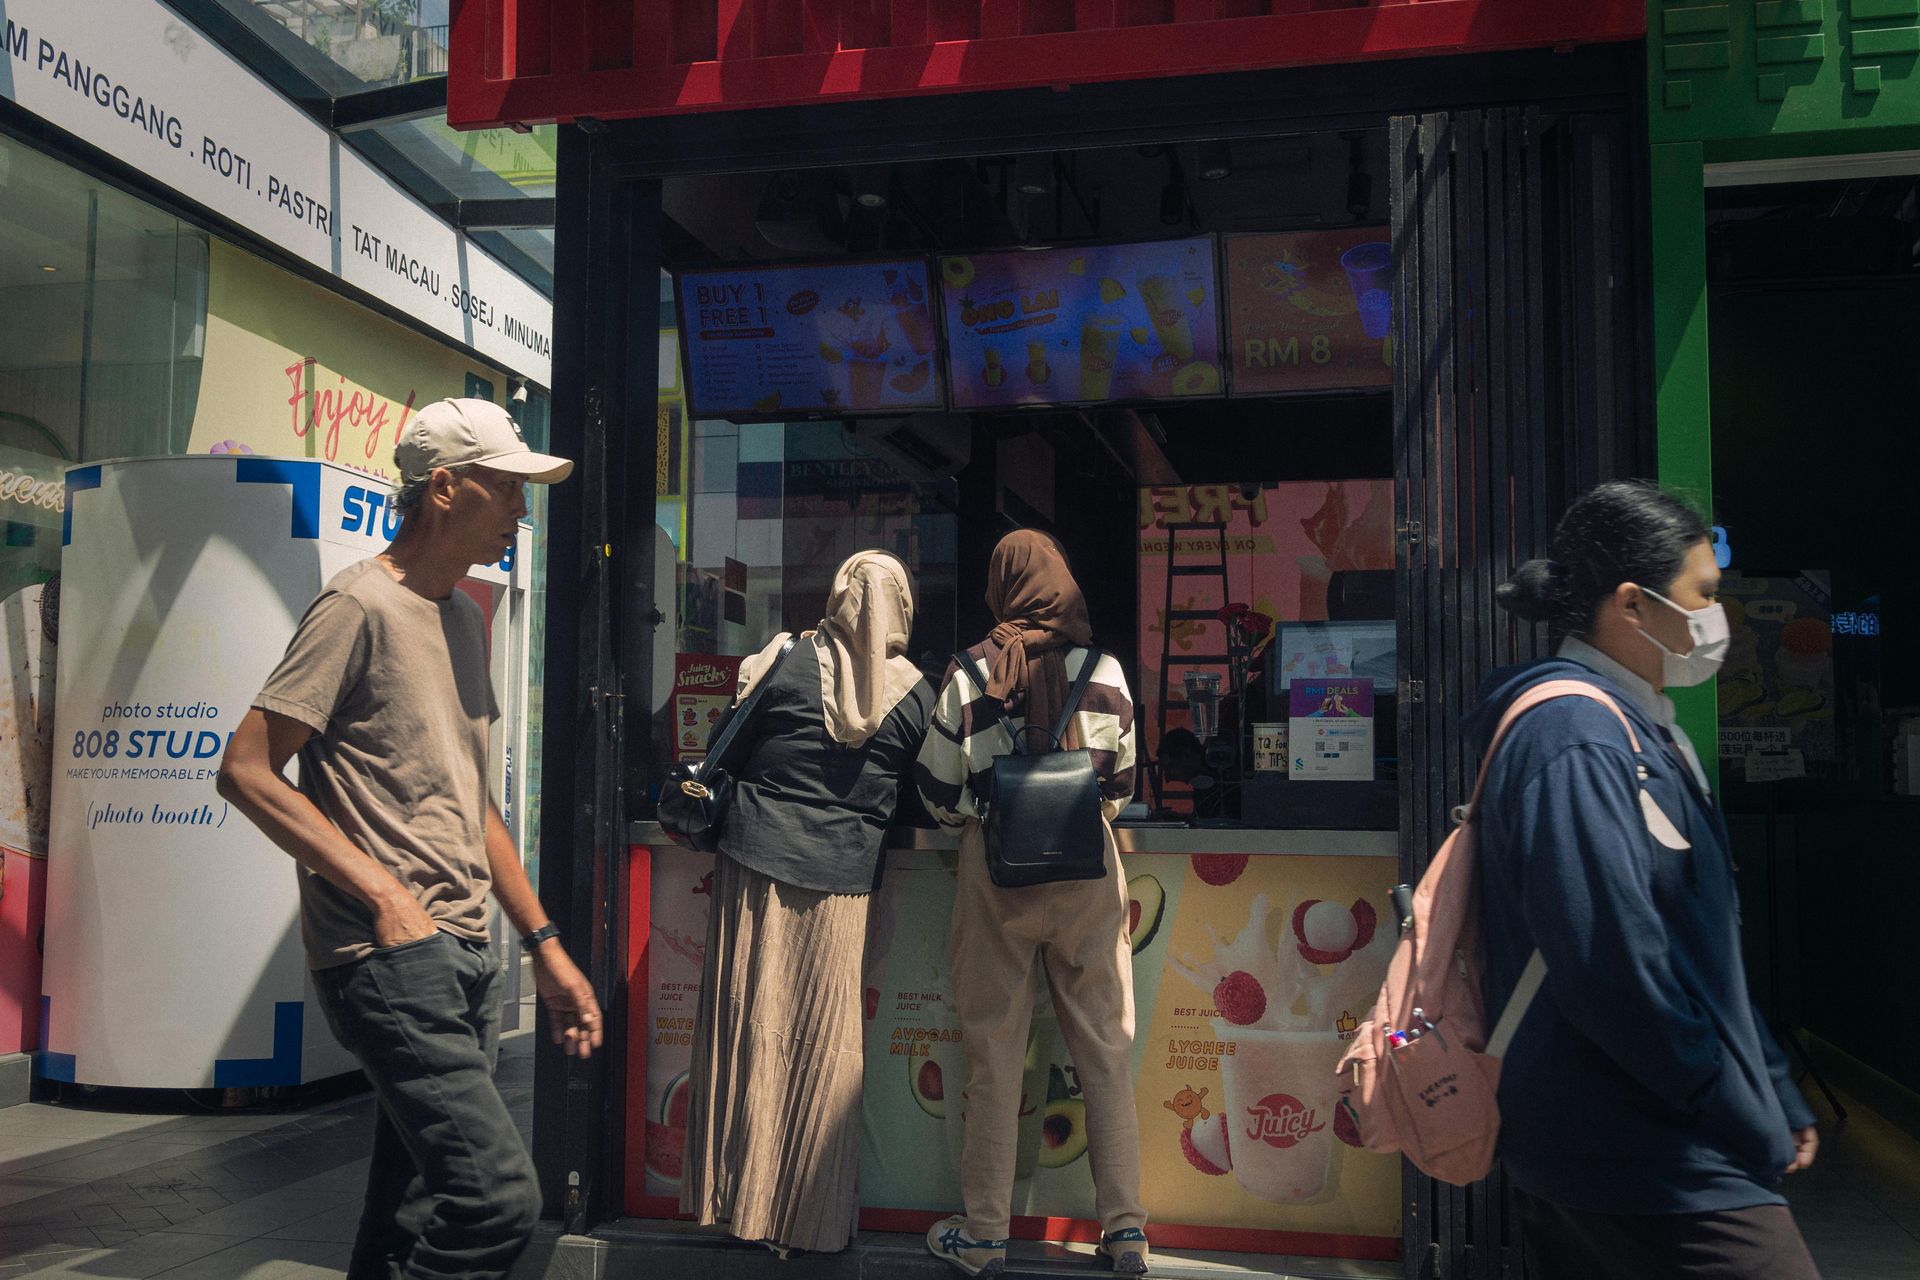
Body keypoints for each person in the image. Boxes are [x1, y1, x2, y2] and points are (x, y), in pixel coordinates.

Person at [217, 398, 601, 1280]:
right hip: (386, 953)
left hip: (465, 951)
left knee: (407, 1216)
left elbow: (475, 806)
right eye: (506, 489)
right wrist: (385, 894)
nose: (520, 509)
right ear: (443, 488)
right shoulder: (356, 606)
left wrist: (544, 944)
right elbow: (246, 769)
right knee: (500, 1200)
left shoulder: (463, 617)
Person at [1469, 480, 1821, 1279]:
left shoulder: (1634, 728)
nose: (1715, 623)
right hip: (1640, 1154)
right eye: (1704, 597)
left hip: (1650, 1142)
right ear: (1632, 604)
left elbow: (1702, 950)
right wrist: (1736, 1107)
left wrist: (1771, 1083)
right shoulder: (1577, 739)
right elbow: (1613, 965)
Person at [680, 550, 935, 1258]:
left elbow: (722, 748)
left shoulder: (782, 662)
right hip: (844, 884)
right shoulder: (917, 697)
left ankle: (737, 1205)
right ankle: (810, 1222)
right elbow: (933, 797)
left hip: (753, 871)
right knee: (827, 1050)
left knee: (748, 1032)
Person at [915, 530, 1149, 1279]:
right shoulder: (1107, 671)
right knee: (1106, 1055)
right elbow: (1122, 788)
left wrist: (981, 819)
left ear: (1001, 585)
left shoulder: (970, 671)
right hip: (1088, 875)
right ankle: (1127, 1234)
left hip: (997, 876)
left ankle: (983, 1236)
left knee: (993, 1055)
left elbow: (936, 791)